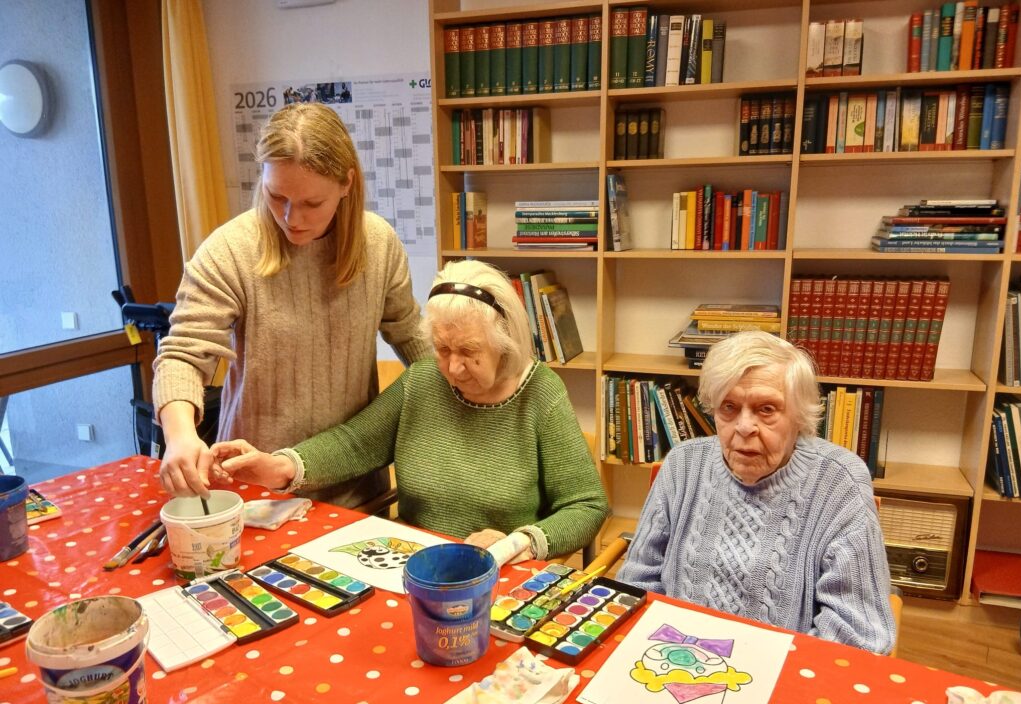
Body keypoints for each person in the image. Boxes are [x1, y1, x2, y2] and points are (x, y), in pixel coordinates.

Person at [210, 259, 608, 560]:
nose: (453, 367)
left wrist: (518, 542)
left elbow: (587, 506)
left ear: (505, 342)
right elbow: (354, 443)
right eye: (442, 349)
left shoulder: (539, 393)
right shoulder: (422, 380)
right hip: (412, 561)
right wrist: (281, 466)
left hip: (499, 573)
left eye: (469, 351)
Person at [153, 102, 432, 507]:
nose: (291, 217)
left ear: (346, 183)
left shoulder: (379, 244)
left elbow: (411, 337)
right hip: (255, 492)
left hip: (353, 489)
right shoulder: (230, 250)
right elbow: (182, 355)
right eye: (276, 196)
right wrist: (180, 436)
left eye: (311, 204)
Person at [618, 330, 896, 653]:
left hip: (782, 677)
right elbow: (637, 583)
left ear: (799, 416)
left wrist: (764, 675)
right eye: (729, 407)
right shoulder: (682, 465)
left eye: (766, 409)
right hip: (672, 657)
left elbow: (858, 631)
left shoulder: (840, 483)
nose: (744, 427)